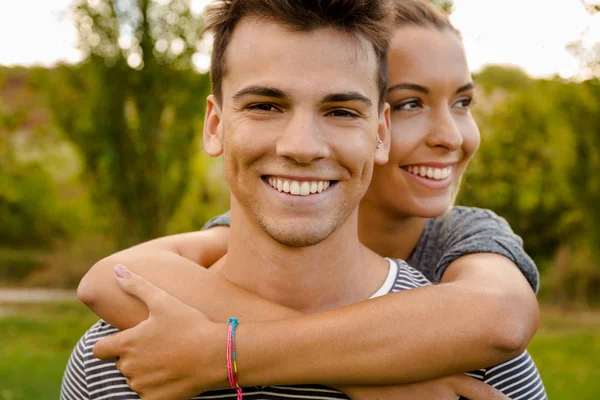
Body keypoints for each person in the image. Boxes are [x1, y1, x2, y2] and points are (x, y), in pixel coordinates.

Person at [62, 0, 546, 399]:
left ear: (379, 133)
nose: (302, 146)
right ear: (215, 125)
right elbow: (112, 278)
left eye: (339, 110)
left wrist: (224, 354)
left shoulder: (468, 359)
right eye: (265, 106)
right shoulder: (125, 353)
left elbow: (501, 317)